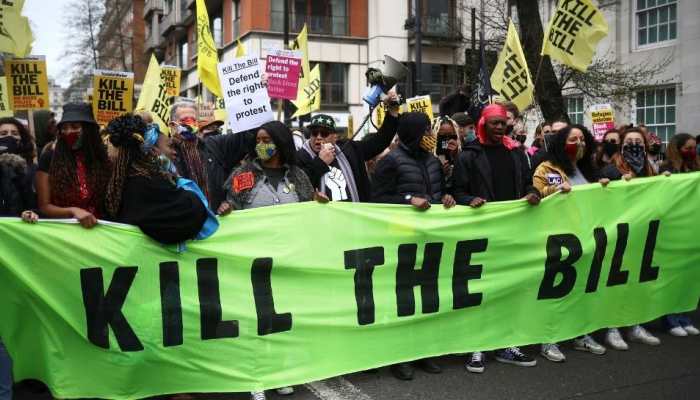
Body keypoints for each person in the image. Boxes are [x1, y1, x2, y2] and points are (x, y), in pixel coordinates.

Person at [452, 103, 540, 373]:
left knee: (507, 290)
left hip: (511, 233)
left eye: (503, 123)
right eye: (494, 123)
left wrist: (532, 192)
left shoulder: (516, 154)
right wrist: (470, 200)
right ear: (483, 125)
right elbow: (455, 190)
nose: (500, 127)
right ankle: (476, 346)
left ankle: (505, 344)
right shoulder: (469, 156)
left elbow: (527, 182)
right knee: (481, 290)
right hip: (481, 234)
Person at [370, 111, 455, 380]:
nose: (431, 136)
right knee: (403, 299)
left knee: (428, 296)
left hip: (428, 239)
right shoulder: (390, 162)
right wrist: (408, 199)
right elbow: (378, 200)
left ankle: (423, 351)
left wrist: (446, 199)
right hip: (401, 239)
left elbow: (437, 194)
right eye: (427, 131)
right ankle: (400, 356)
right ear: (413, 133)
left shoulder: (432, 162)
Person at [532, 124, 607, 361]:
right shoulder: (547, 167)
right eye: (574, 139)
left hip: (585, 237)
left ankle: (580, 334)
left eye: (583, 139)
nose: (580, 144)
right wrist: (555, 189)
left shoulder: (588, 170)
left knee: (582, 288)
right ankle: (549, 337)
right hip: (557, 237)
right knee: (555, 288)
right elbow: (536, 195)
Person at [104, 114, 217, 244]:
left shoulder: (122, 179)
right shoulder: (147, 183)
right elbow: (191, 215)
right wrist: (179, 183)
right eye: (170, 146)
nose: (175, 152)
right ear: (153, 151)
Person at [598, 127, 662, 350]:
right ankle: (612, 327)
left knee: (637, 281)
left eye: (639, 142)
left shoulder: (650, 169)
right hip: (617, 235)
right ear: (621, 146)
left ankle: (635, 324)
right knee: (615, 281)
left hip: (641, 234)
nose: (634, 145)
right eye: (629, 141)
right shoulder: (610, 169)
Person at [297, 95, 399, 202]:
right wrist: (320, 162)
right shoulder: (301, 156)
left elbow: (379, 142)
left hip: (351, 215)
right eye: (314, 133)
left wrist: (392, 113)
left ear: (334, 137)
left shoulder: (349, 149)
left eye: (324, 133)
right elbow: (299, 185)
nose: (318, 137)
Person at [169, 100, 254, 214]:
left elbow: (247, 136)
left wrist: (253, 100)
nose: (190, 123)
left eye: (194, 120)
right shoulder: (166, 155)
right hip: (185, 224)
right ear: (173, 124)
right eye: (185, 120)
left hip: (217, 221)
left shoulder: (215, 145)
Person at [35, 103, 111, 228]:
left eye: (75, 127)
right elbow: (44, 207)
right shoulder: (49, 158)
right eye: (64, 128)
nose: (68, 132)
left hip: (100, 229)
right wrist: (73, 211)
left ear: (88, 130)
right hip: (65, 231)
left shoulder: (102, 159)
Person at [657, 133, 700, 337]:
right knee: (672, 275)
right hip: (673, 228)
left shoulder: (695, 169)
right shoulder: (666, 169)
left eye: (694, 148)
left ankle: (684, 316)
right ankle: (671, 319)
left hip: (690, 228)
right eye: (688, 148)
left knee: (687, 275)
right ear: (678, 148)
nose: (692, 151)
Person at [0, 117, 38, 221]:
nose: (9, 136)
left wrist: (29, 213)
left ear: (21, 138)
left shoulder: (32, 169)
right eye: (3, 134)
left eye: (14, 133)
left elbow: (37, 204)